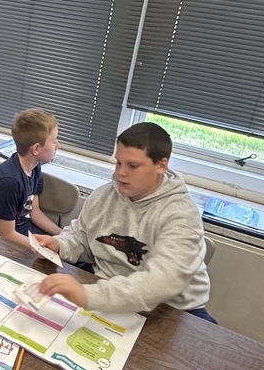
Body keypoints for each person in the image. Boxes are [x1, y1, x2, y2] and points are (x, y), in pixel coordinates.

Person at [37, 122, 212, 318]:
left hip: (170, 310)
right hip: (106, 286)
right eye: (118, 163)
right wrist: (60, 245)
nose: (121, 173)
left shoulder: (181, 215)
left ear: (161, 166)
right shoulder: (103, 196)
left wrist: (88, 295)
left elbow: (160, 283)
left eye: (132, 166)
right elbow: (82, 238)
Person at [0, 108, 62, 248]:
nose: (58, 145)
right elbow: (6, 235)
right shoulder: (9, 182)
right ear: (36, 149)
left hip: (24, 232)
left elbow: (34, 212)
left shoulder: (35, 168)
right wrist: (43, 249)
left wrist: (62, 236)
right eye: (54, 141)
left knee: (69, 253)